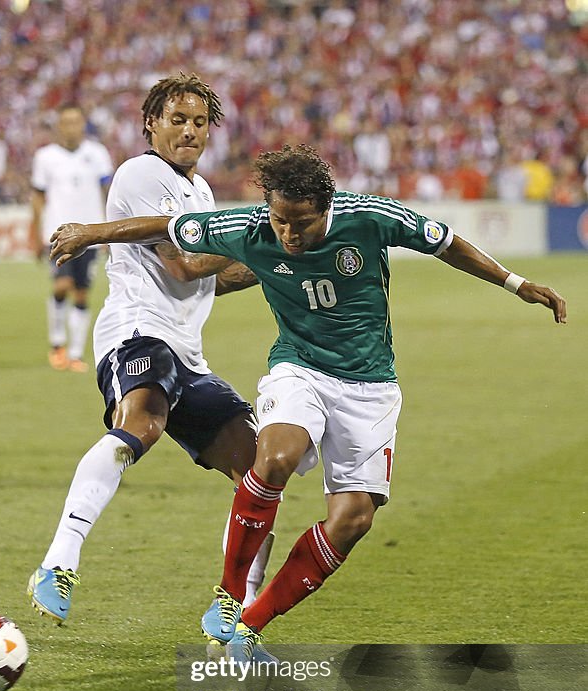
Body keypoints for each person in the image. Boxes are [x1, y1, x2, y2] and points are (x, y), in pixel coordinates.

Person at [49, 144, 567, 661]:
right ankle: (228, 599)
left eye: (302, 224)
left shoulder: (371, 217)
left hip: (371, 388)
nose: (289, 236)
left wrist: (515, 283)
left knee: (352, 520)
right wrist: (91, 234)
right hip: (298, 369)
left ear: (327, 207)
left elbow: (447, 243)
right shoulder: (250, 226)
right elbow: (168, 226)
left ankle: (250, 628)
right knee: (272, 457)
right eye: (280, 223)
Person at [28, 74, 273, 625]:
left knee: (260, 469)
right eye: (178, 120)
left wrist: (273, 263)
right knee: (142, 422)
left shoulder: (202, 192)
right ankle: (58, 562)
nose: (189, 131)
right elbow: (183, 262)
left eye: (200, 122)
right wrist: (256, 234)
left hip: (188, 353)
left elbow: (210, 279)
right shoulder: (142, 172)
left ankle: (236, 609)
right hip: (137, 332)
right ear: (151, 125)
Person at [31, 105, 114, 372]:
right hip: (57, 233)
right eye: (65, 122)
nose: (71, 127)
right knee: (61, 286)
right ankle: (57, 344)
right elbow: (38, 197)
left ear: (83, 125)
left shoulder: (97, 154)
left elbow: (109, 192)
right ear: (58, 126)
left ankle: (76, 354)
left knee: (81, 292)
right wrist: (34, 232)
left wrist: (111, 232)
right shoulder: (45, 157)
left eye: (76, 122)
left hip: (90, 233)